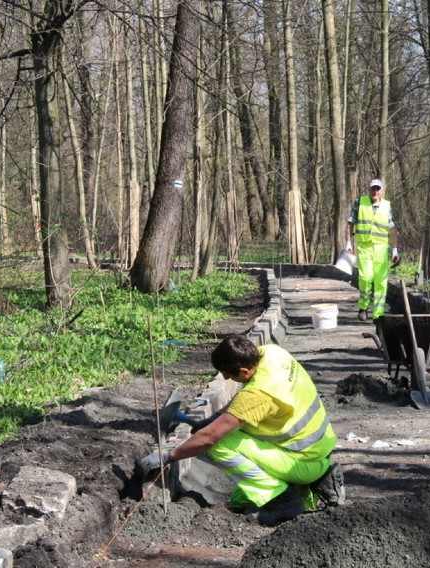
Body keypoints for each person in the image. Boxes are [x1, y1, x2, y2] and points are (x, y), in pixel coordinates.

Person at [139, 335, 344, 526]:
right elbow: (242, 404)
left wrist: (169, 456)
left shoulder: (259, 393)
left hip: (302, 462)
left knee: (219, 442)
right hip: (319, 450)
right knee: (239, 500)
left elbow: (209, 438)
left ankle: (284, 502)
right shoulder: (272, 353)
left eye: (228, 374)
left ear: (245, 371)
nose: (226, 379)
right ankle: (320, 478)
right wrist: (214, 418)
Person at [345, 178, 400, 321]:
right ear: (369, 190)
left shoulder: (387, 206)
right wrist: (348, 243)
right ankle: (363, 306)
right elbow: (350, 223)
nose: (375, 191)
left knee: (380, 280)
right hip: (364, 246)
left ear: (381, 191)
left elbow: (392, 229)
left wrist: (394, 250)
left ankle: (378, 313)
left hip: (381, 248)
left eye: (378, 189)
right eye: (373, 189)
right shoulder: (360, 202)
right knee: (365, 277)